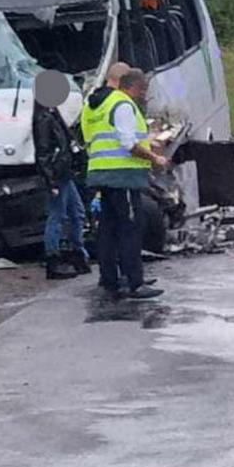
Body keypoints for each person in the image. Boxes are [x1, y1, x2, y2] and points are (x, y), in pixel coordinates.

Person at [83, 68, 167, 299]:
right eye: (143, 89)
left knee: (108, 230)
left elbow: (92, 138)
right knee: (130, 228)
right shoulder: (122, 105)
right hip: (122, 176)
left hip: (100, 172)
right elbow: (128, 143)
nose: (144, 95)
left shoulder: (93, 105)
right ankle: (135, 283)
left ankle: (109, 279)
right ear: (133, 86)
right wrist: (155, 157)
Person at [33, 71, 89, 280]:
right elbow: (43, 152)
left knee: (76, 213)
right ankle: (54, 259)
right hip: (58, 174)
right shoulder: (44, 119)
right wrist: (51, 180)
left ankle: (76, 252)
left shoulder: (50, 114)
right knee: (58, 216)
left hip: (63, 173)